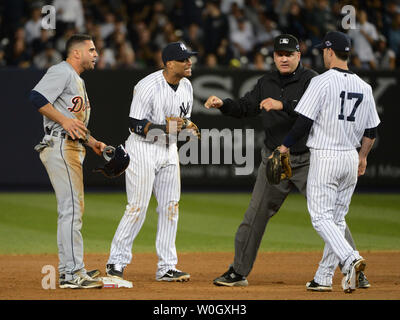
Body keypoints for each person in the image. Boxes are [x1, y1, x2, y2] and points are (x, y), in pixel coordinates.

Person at [204, 34, 370, 289]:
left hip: (308, 159)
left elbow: (308, 115)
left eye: (289, 54)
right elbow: (246, 107)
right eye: (279, 54)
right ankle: (238, 272)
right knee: (254, 216)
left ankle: (353, 268)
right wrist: (223, 104)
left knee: (332, 218)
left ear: (298, 56)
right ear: (273, 57)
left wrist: (282, 104)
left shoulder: (313, 79)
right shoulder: (265, 81)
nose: (284, 58)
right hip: (275, 160)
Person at [274, 31, 380, 293]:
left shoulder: (321, 82)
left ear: (330, 52)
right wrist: (363, 157)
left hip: (326, 155)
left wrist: (284, 146)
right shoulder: (365, 87)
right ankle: (323, 278)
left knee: (321, 218)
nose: (323, 53)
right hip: (350, 157)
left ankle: (350, 258)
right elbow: (372, 131)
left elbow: (304, 122)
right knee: (337, 219)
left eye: (324, 50)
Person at [106, 42, 197, 282]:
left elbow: (182, 121)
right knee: (137, 206)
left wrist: (187, 126)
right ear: (169, 63)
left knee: (171, 207)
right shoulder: (147, 86)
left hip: (169, 150)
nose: (189, 63)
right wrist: (165, 127)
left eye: (190, 58)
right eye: (184, 59)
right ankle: (116, 261)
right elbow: (134, 124)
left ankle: (167, 266)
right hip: (143, 148)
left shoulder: (186, 86)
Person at [29, 34, 106, 289]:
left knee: (71, 209)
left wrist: (92, 141)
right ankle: (72, 273)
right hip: (60, 145)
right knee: (71, 209)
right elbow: (37, 98)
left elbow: (74, 123)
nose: (96, 54)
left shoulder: (77, 80)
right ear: (77, 53)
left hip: (71, 145)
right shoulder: (62, 71)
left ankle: (69, 269)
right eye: (92, 50)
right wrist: (63, 121)